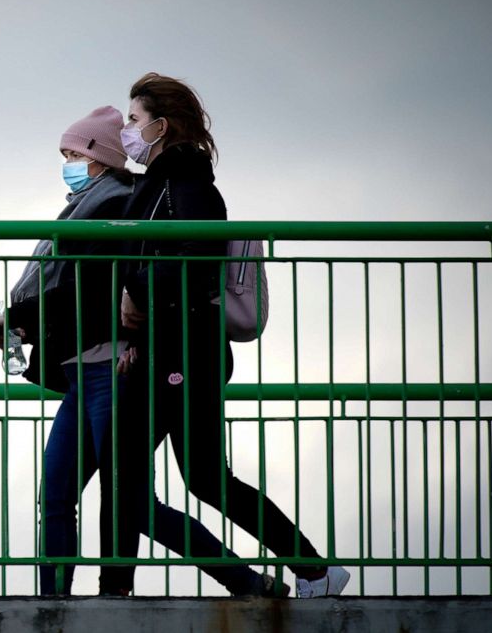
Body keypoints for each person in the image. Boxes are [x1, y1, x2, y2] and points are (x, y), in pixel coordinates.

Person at [0, 106, 286, 598]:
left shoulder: (114, 206)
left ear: (100, 158)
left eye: (74, 154)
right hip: (83, 368)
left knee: (133, 502)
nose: (67, 163)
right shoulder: (85, 209)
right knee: (57, 493)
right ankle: (53, 600)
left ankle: (243, 582)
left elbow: (93, 289)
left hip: (112, 368)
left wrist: (21, 318)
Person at [108, 72, 350, 598]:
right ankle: (116, 592)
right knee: (132, 479)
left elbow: (194, 261)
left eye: (134, 119)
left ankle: (312, 570)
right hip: (163, 347)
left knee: (200, 479)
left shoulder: (189, 182)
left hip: (188, 350)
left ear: (160, 125)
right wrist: (133, 334)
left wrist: (137, 296)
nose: (127, 130)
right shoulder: (158, 184)